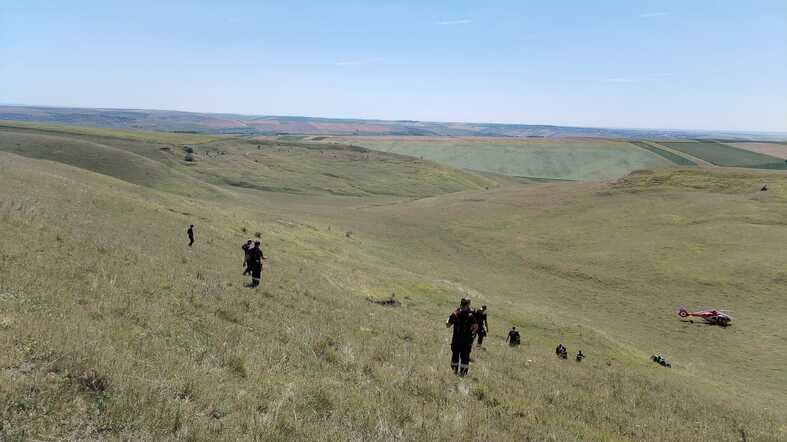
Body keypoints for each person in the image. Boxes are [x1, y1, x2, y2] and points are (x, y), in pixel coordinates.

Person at [446, 298, 478, 376]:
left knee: (455, 356)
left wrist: (448, 318)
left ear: (461, 303)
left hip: (456, 340)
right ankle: (462, 374)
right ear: (467, 305)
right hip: (466, 341)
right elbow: (476, 327)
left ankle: (454, 371)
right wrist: (472, 334)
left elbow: (448, 325)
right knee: (465, 357)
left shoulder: (455, 314)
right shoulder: (471, 316)